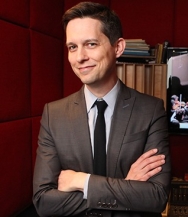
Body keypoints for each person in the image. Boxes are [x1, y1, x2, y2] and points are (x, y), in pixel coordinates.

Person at [33, 2, 171, 217]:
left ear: (118, 48)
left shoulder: (151, 110)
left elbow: (156, 197)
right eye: (72, 47)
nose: (79, 58)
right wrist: (126, 186)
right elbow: (44, 201)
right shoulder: (53, 115)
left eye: (90, 44)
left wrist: (83, 182)